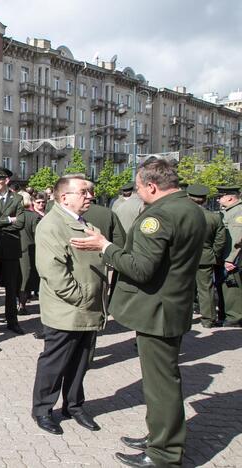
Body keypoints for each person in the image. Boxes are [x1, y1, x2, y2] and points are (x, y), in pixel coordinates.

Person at [71, 158, 205, 467]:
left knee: (161, 385)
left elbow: (140, 269)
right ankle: (158, 436)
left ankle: (164, 453)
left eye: (140, 186)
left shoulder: (157, 217)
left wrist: (104, 247)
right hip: (173, 305)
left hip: (156, 310)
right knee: (162, 381)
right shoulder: (191, 209)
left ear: (151, 186)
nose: (138, 192)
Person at [31, 175, 107, 436]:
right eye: (84, 192)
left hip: (87, 308)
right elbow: (53, 271)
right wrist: (81, 297)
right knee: (55, 362)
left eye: (91, 192)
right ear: (65, 197)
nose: (90, 196)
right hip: (68, 308)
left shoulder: (82, 222)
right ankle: (42, 409)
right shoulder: (52, 225)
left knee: (80, 361)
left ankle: (74, 406)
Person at [0, 166, 26, 335]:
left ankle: (12, 321)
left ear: (6, 181)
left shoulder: (17, 199)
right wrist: (9, 219)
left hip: (11, 250)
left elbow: (21, 223)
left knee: (11, 288)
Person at [186, 184, 226, 328]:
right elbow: (220, 240)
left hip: (184, 258)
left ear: (189, 198)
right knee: (206, 289)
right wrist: (213, 253)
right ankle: (208, 319)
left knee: (183, 288)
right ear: (204, 199)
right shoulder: (214, 217)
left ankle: (183, 318)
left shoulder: (183, 216)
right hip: (205, 257)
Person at [217, 185, 242, 327]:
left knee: (232, 287)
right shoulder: (231, 211)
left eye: (221, 197)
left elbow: (236, 238)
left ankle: (234, 317)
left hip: (233, 257)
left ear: (230, 197)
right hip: (229, 256)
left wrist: (230, 259)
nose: (219, 200)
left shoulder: (237, 213)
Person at [17, 193, 45, 315]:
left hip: (13, 252)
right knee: (25, 280)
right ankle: (22, 306)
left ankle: (17, 305)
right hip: (29, 252)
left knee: (17, 280)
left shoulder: (13, 216)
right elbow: (39, 236)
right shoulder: (34, 217)